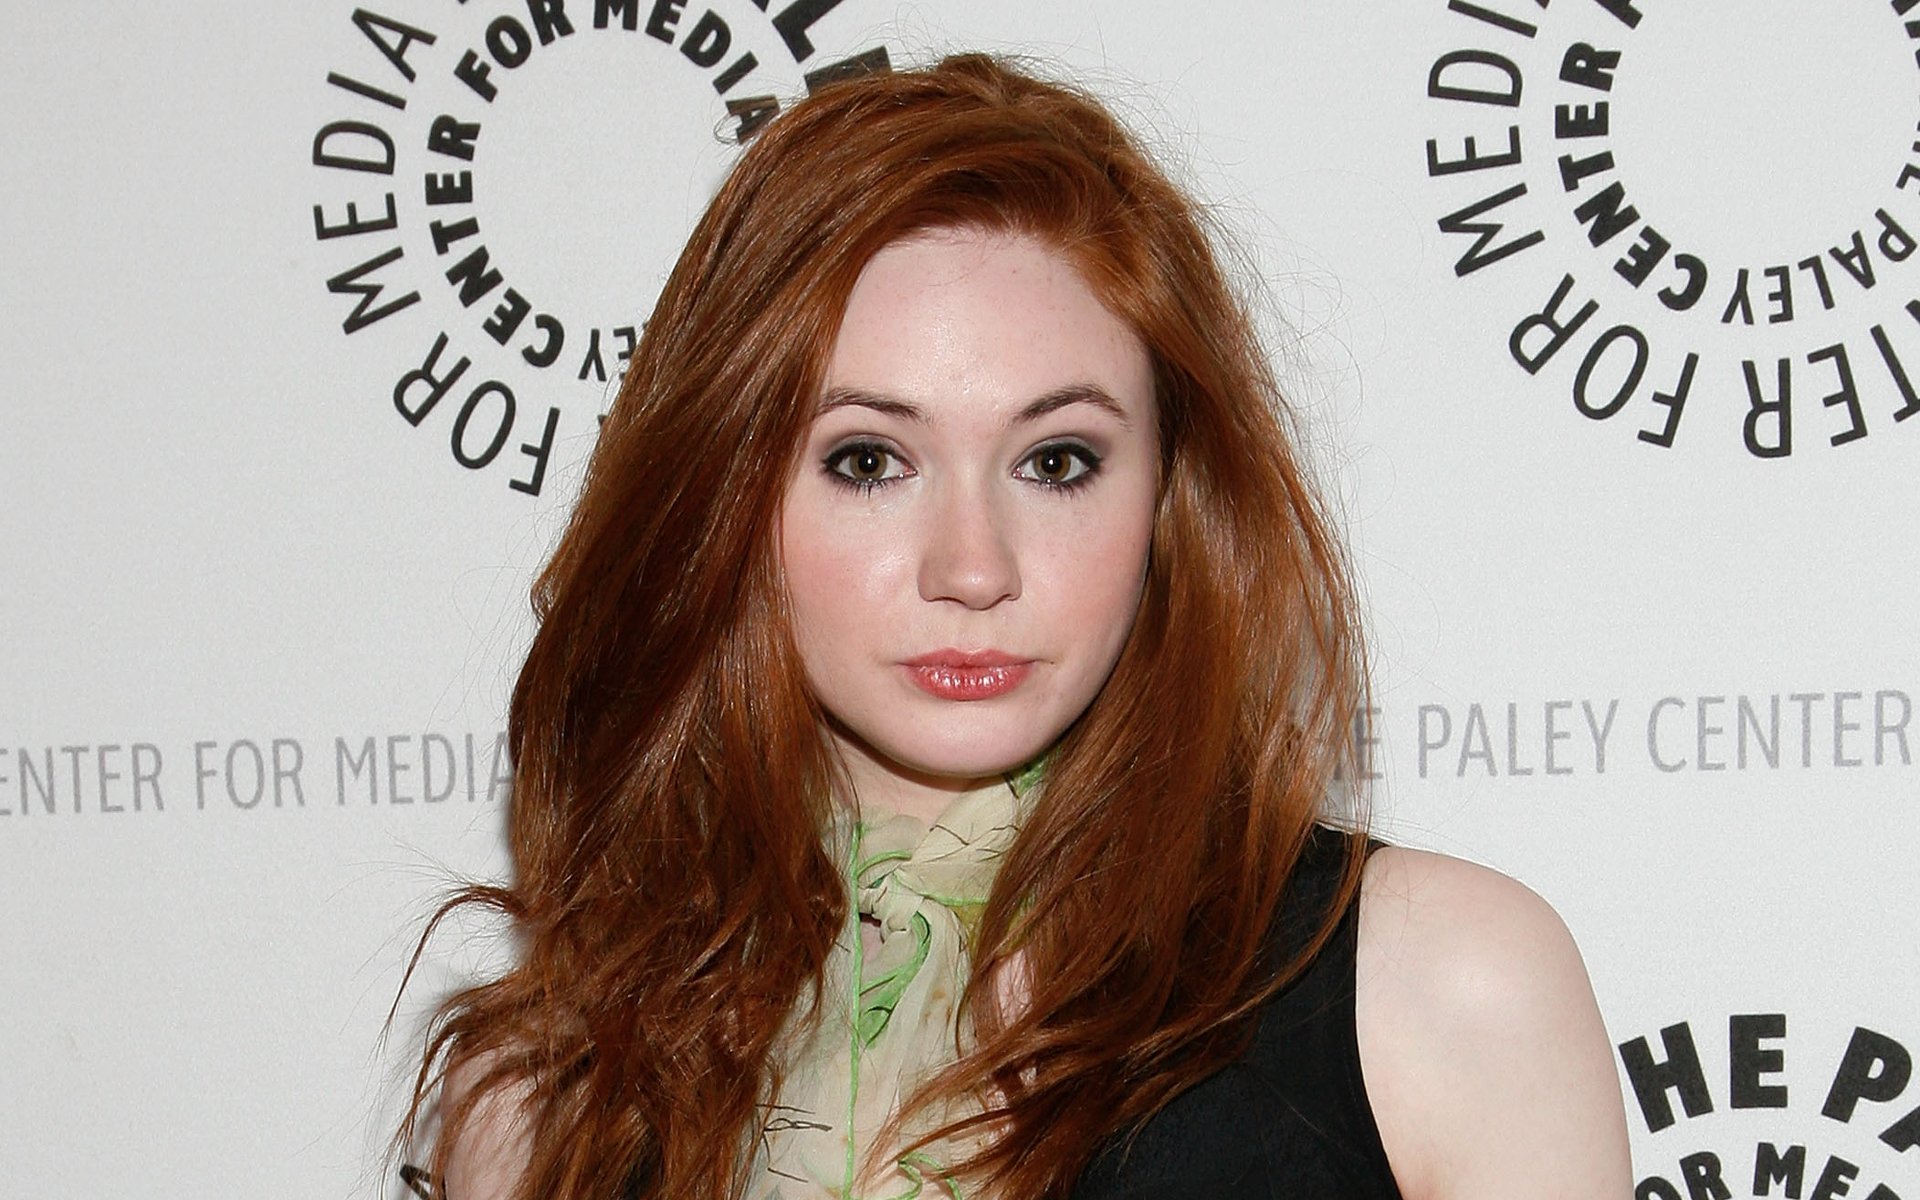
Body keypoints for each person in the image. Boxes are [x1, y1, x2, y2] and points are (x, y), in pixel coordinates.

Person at [396, 52, 1633, 1200]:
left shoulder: (1434, 989)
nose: (973, 567)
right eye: (870, 459)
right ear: (726, 496)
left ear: (1169, 495)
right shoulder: (540, 1101)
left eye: (1056, 460)